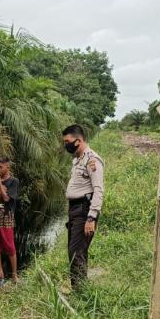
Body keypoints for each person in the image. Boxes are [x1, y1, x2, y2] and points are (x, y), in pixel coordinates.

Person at [62, 124, 105, 289]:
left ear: (78, 141)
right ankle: (80, 288)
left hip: (84, 210)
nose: (66, 144)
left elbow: (98, 189)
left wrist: (91, 217)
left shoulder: (92, 159)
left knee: (76, 253)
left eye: (67, 141)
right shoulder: (77, 160)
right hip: (75, 210)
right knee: (76, 251)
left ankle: (79, 293)